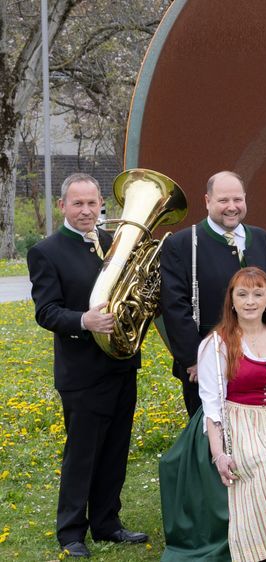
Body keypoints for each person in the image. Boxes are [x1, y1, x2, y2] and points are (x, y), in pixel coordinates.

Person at [161, 268, 266, 561]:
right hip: (234, 419)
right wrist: (219, 453)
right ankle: (259, 545)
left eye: (257, 294)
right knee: (261, 463)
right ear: (232, 301)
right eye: (242, 294)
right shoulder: (216, 344)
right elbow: (213, 404)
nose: (250, 301)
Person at [28, 173, 147, 558]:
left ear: (101, 205)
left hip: (121, 363)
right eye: (77, 204)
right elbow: (46, 312)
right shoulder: (47, 251)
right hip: (82, 371)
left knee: (115, 447)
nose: (86, 211)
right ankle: (71, 531)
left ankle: (108, 523)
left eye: (92, 203)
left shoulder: (115, 242)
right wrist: (84, 321)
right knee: (82, 452)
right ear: (62, 206)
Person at [161, 171, 266, 416]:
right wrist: (195, 359)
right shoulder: (181, 244)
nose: (232, 207)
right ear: (207, 201)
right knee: (210, 439)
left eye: (238, 200)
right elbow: (174, 307)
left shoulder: (265, 240)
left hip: (262, 356)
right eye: (223, 200)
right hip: (207, 360)